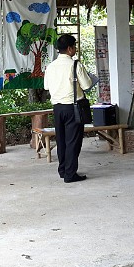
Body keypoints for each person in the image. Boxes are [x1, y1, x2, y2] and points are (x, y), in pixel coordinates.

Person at [43, 34, 92, 183]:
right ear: (70, 48)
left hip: (57, 108)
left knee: (62, 140)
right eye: (75, 46)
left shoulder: (51, 66)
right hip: (73, 108)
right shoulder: (75, 65)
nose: (75, 49)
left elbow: (46, 87)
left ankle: (63, 170)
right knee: (73, 142)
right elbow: (87, 85)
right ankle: (70, 174)